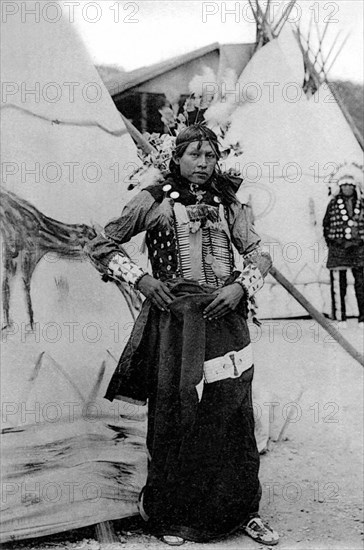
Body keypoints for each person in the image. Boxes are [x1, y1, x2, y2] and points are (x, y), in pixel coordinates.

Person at [86, 124, 279, 546]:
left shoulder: (230, 202)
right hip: (176, 324)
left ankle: (242, 510)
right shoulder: (152, 200)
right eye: (194, 155)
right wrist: (141, 280)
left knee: (233, 413)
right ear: (176, 158)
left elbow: (260, 253)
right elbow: (101, 245)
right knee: (175, 413)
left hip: (225, 320)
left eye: (209, 155)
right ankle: (170, 516)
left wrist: (240, 287)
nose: (203, 164)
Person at [323, 166, 364, 327]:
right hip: (338, 249)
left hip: (359, 249)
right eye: (344, 185)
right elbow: (326, 225)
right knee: (338, 285)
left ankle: (363, 318)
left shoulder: (362, 204)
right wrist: (333, 243)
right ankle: (340, 318)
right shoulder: (333, 204)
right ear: (340, 187)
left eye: (350, 185)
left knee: (362, 283)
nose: (347, 188)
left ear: (355, 187)